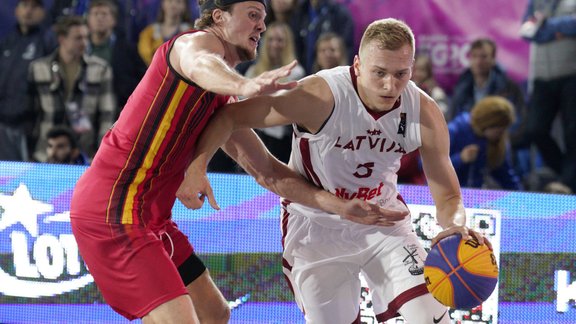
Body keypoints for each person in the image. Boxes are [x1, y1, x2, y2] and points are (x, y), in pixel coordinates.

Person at [69, 1, 396, 323]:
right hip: (113, 212)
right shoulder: (191, 45)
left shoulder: (220, 100)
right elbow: (200, 63)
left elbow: (268, 172)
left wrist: (339, 206)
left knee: (215, 314)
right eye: (253, 15)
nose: (262, 26)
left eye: (264, 18)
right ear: (218, 17)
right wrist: (246, 85)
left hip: (152, 220)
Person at [182, 18, 488, 323]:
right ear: (357, 65)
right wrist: (198, 166)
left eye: (401, 74)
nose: (390, 85)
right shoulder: (319, 96)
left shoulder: (424, 111)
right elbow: (229, 116)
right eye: (379, 73)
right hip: (316, 226)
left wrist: (454, 224)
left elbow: (448, 197)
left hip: (383, 223)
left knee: (432, 319)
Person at [28, 15, 116, 162]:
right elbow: (30, 113)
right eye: (78, 38)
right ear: (62, 39)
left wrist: (102, 152)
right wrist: (30, 149)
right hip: (45, 152)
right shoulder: (38, 68)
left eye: (86, 37)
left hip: (84, 152)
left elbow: (107, 114)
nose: (84, 43)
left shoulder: (100, 69)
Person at [521, 0, 576, 194]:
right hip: (542, 78)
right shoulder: (537, 1)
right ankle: (567, 175)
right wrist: (559, 31)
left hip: (572, 75)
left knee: (573, 134)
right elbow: (526, 31)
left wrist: (545, 28)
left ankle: (568, 183)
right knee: (535, 130)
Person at [0, 0, 56, 161]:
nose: (28, 11)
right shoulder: (6, 43)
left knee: (20, 179)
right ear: (16, 10)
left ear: (43, 13)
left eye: (34, 7)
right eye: (25, 5)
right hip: (2, 122)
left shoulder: (47, 43)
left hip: (26, 126)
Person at [245, 21, 305, 164]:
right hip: (253, 133)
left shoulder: (297, 73)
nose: (275, 44)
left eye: (280, 40)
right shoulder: (253, 71)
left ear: (287, 44)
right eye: (271, 39)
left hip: (281, 139)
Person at [448, 96, 523, 190]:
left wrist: (520, 198)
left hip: (474, 196)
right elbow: (434, 169)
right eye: (499, 131)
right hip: (447, 194)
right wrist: (460, 158)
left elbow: (506, 175)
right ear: (487, 124)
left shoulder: (497, 142)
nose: (501, 135)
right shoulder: (454, 131)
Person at [86, 0, 147, 113]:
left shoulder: (128, 50)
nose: (99, 18)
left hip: (120, 110)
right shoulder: (80, 48)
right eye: (95, 14)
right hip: (87, 111)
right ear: (88, 20)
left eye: (104, 14)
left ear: (113, 20)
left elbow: (144, 79)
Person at [137, 0, 194, 65]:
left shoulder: (190, 34)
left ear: (185, 6)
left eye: (178, 1)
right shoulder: (148, 33)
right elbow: (146, 54)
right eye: (169, 1)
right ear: (163, 3)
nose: (173, 5)